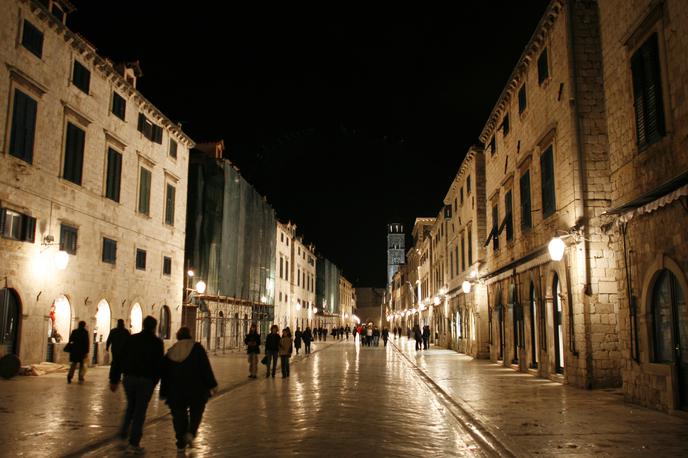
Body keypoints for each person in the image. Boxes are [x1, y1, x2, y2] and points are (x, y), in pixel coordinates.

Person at [111, 315, 164, 453]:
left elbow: (118, 359)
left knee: (130, 407)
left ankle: (122, 435)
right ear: (154, 327)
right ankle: (134, 442)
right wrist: (155, 381)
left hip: (128, 378)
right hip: (146, 380)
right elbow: (159, 365)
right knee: (140, 411)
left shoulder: (131, 339)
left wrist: (114, 379)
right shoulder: (157, 342)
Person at [160, 327, 217, 451]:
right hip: (196, 389)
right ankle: (191, 433)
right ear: (189, 335)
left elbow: (165, 374)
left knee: (178, 414)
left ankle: (180, 441)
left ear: (178, 336)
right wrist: (212, 384)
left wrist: (164, 391)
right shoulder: (197, 348)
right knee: (196, 412)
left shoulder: (171, 351)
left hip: (176, 390)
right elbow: (205, 368)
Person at [106, 319, 130, 384]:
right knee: (121, 363)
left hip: (115, 350)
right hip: (123, 350)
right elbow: (129, 341)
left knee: (115, 362)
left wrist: (107, 347)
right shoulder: (126, 331)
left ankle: (113, 376)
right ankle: (119, 376)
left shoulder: (113, 331)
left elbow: (109, 340)